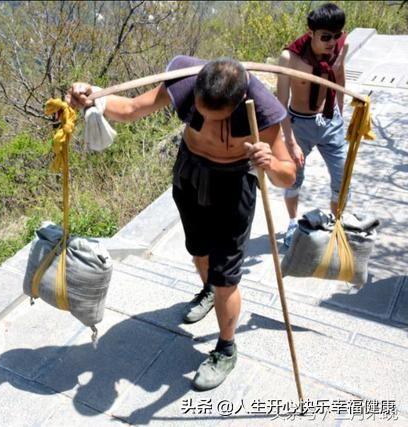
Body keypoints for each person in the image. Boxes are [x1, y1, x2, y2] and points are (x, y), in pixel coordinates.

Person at [67, 56, 296, 391]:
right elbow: (131, 108)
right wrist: (93, 97)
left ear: (234, 105)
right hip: (189, 173)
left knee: (226, 276)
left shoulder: (260, 109)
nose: (202, 117)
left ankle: (226, 348)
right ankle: (207, 291)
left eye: (213, 116)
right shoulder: (189, 81)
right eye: (199, 111)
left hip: (233, 186)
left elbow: (287, 176)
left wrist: (271, 162)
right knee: (198, 250)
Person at [277, 3, 349, 247]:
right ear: (310, 33)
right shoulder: (290, 58)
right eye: (326, 36)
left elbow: (339, 77)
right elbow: (280, 104)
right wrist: (290, 141)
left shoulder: (341, 47)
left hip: (331, 121)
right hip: (300, 125)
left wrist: (342, 115)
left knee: (342, 179)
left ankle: (335, 226)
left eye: (337, 35)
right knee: (293, 178)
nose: (332, 42)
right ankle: (291, 223)